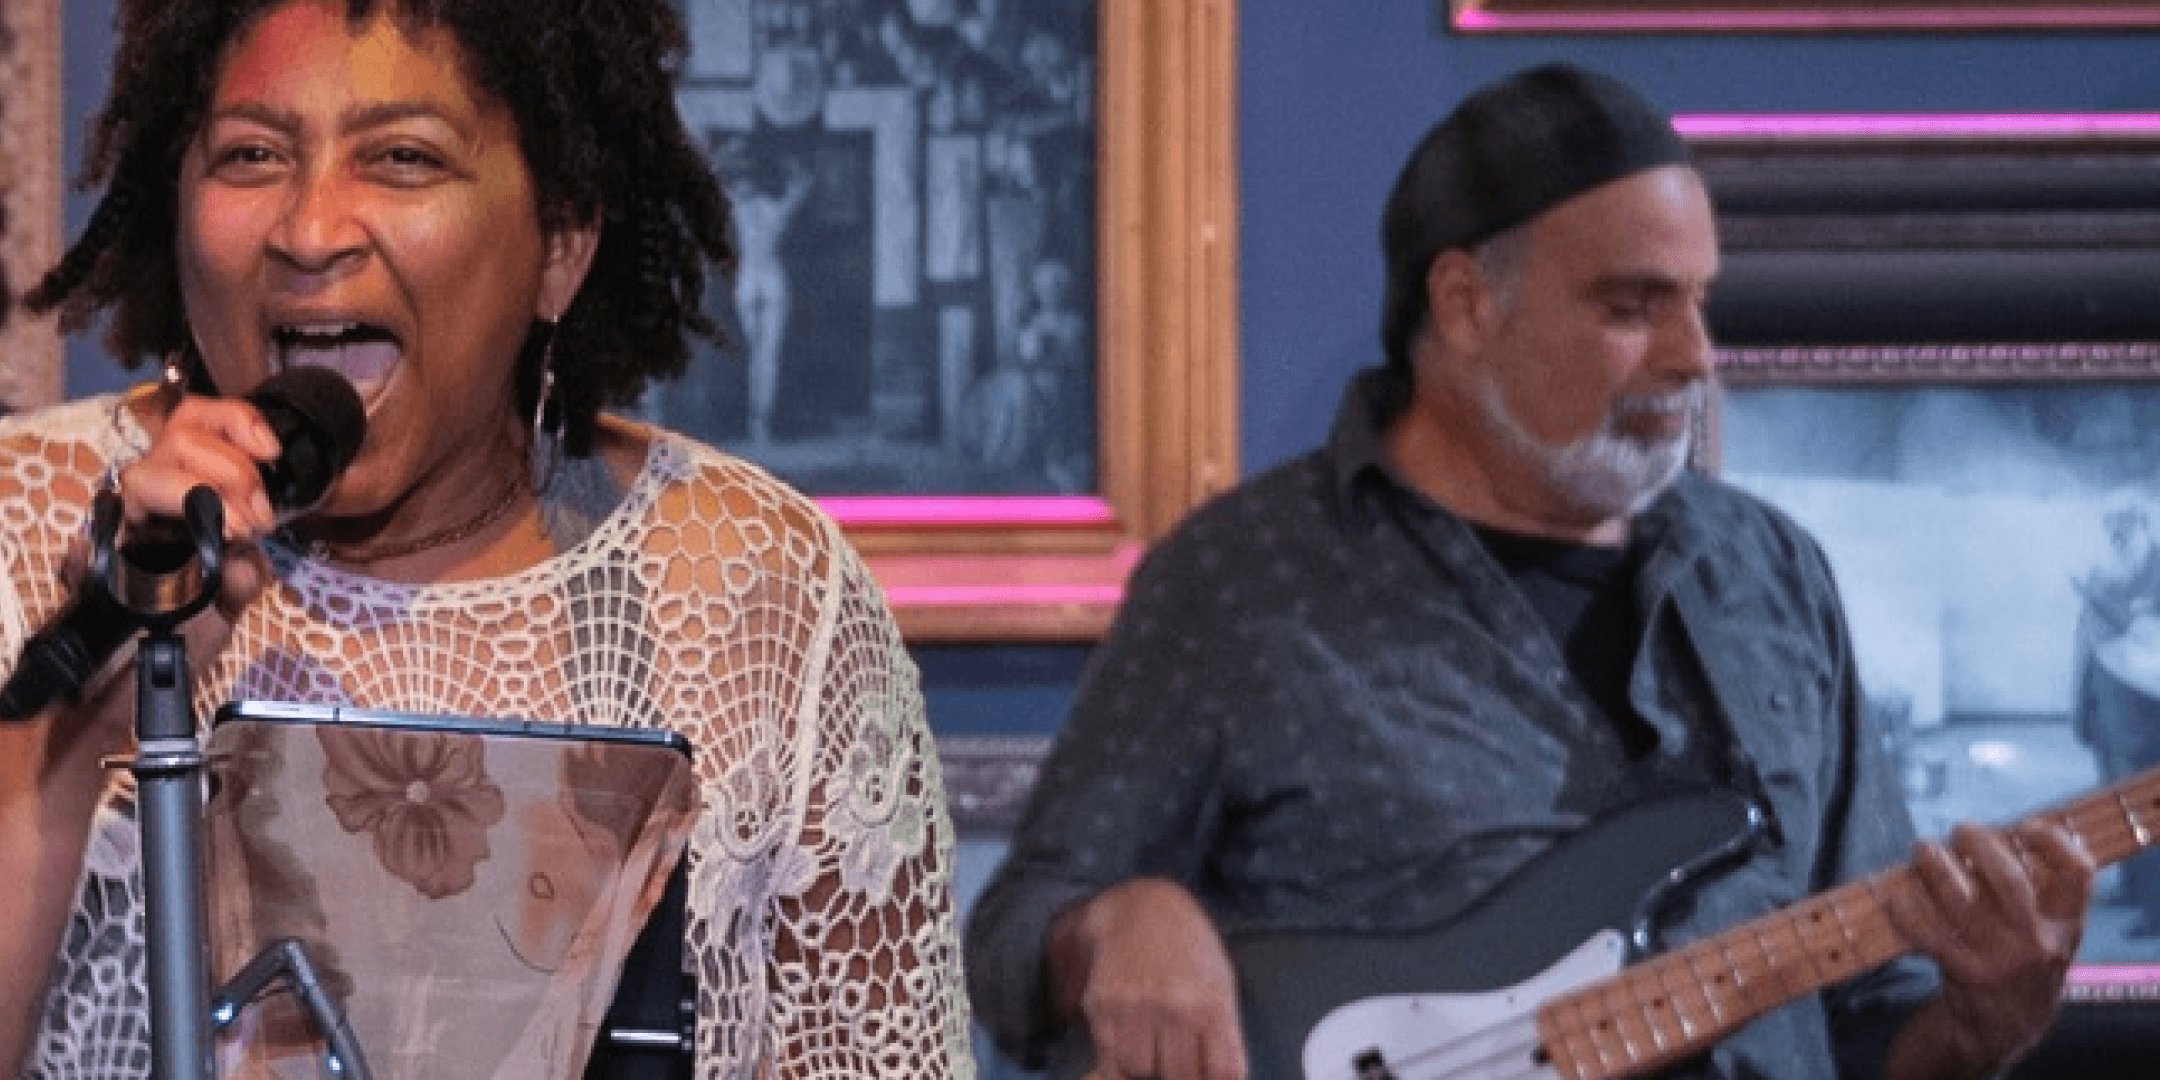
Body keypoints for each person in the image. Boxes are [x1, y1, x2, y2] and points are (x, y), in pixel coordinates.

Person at [965, 63, 2092, 1080]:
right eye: (1632, 307)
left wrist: (1981, 1023)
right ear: (1466, 304)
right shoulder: (1242, 581)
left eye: (1698, 302)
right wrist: (1117, 923)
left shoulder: (1770, 576)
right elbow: (1014, 933)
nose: (1694, 357)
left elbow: (1867, 1021)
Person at [0, 2, 971, 1078]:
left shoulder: (768, 595)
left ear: (561, 246)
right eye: (251, 155)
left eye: (403, 158)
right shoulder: (20, 532)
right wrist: (79, 730)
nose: (310, 230)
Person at [2070, 496, 2160, 937]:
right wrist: (2082, 707)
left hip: (2147, 712)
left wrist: (2105, 604)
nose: (2117, 533)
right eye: (2111, 526)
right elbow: (2086, 641)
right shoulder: (2105, 572)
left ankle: (2157, 908)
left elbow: (2144, 635)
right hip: (2107, 710)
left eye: (2125, 524)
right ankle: (2132, 884)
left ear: (2144, 523)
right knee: (2118, 804)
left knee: (2149, 805)